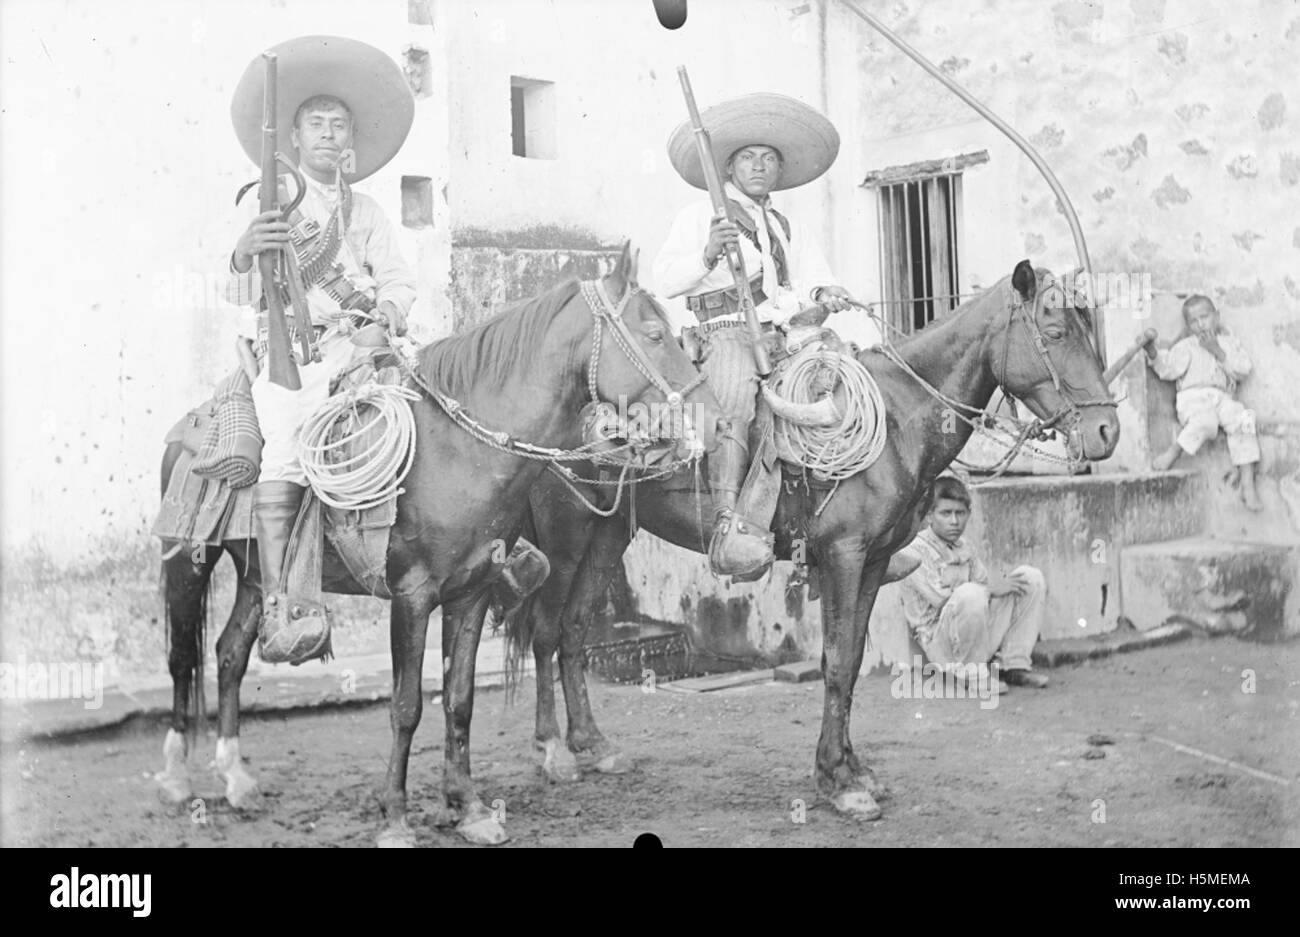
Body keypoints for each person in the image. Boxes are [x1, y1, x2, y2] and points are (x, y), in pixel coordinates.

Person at [224, 36, 416, 655]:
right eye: (316, 124)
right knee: (284, 437)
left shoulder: (370, 213)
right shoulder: (268, 203)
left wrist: (385, 316)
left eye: (339, 125)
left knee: (436, 408)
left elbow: (398, 280)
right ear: (296, 140)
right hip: (298, 358)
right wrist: (248, 249)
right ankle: (281, 606)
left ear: (351, 139)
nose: (329, 134)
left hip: (364, 348)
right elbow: (238, 288)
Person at [653, 92, 882, 577]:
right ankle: (726, 527)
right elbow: (665, 280)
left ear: (778, 170)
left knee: (839, 394)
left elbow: (812, 278)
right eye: (748, 159)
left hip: (783, 333)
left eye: (769, 160)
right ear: (730, 168)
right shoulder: (700, 218)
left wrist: (828, 292)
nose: (759, 167)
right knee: (734, 404)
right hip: (726, 333)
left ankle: (837, 531)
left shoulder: (787, 224)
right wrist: (709, 254)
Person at [899, 476, 1050, 689]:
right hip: (938, 644)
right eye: (946, 513)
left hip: (970, 641)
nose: (954, 521)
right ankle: (972, 676)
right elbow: (944, 600)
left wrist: (995, 590)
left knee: (1029, 578)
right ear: (929, 515)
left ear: (968, 514)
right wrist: (990, 589)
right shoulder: (914, 550)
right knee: (971, 592)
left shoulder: (964, 546)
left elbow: (984, 591)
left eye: (960, 513)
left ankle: (1012, 666)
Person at [1145, 295, 1261, 510]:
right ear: (1188, 326)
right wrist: (1153, 353)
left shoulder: (1228, 342)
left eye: (1205, 317)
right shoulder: (1187, 346)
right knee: (1206, 422)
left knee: (1245, 419)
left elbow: (1243, 370)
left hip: (1223, 397)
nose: (1201, 324)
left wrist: (1218, 350)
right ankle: (1174, 451)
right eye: (1194, 321)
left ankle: (1248, 484)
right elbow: (1168, 369)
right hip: (1193, 398)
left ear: (1216, 317)